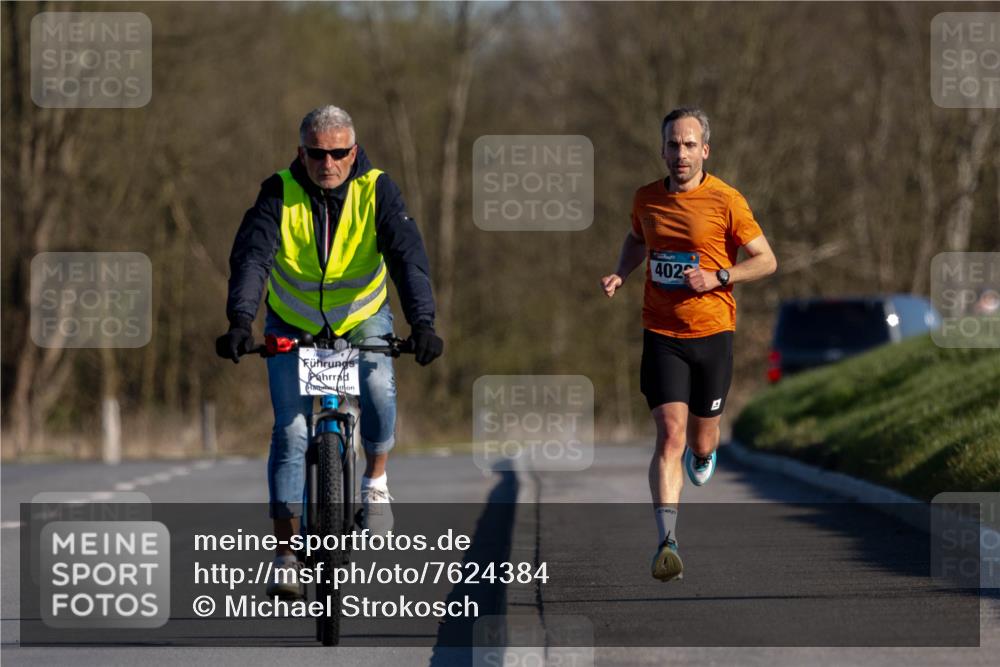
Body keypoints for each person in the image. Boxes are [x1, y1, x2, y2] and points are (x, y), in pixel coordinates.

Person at [215, 105, 443, 597]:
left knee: (380, 384)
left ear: (353, 151)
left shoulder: (377, 188)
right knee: (291, 431)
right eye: (318, 154)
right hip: (292, 322)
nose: (329, 163)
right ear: (302, 153)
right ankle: (286, 555)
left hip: (361, 317)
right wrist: (239, 320)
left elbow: (407, 257)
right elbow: (253, 258)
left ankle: (376, 482)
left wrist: (422, 322)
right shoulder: (278, 191)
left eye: (339, 153)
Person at [601, 107, 777, 582]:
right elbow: (638, 239)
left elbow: (766, 261)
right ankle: (667, 542)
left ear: (705, 150)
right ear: (662, 150)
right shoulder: (645, 199)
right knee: (670, 435)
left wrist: (720, 274)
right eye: (672, 145)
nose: (680, 153)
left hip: (713, 333)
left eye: (688, 144)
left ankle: (705, 454)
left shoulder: (727, 201)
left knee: (700, 439)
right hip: (661, 334)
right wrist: (623, 270)